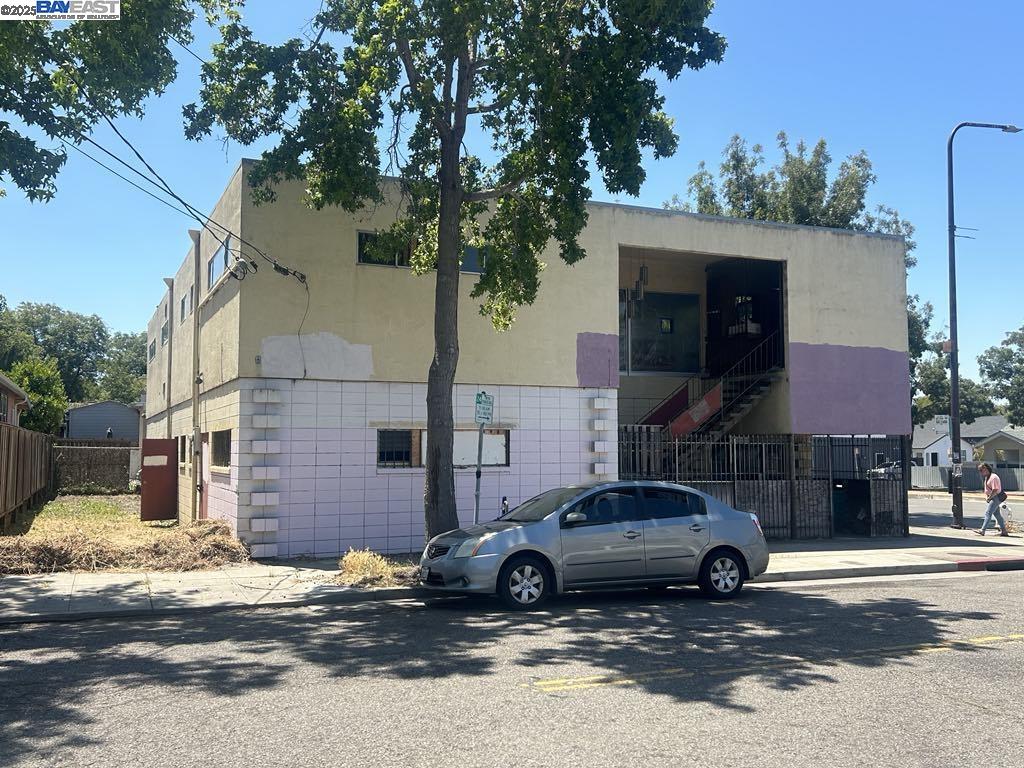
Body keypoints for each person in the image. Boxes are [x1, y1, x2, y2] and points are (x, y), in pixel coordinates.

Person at [977, 462, 1009, 537]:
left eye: (981, 470)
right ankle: (1004, 531)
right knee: (997, 514)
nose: (981, 472)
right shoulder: (987, 477)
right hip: (993, 497)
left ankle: (983, 530)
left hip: (996, 497)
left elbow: (995, 489)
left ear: (986, 469)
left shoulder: (993, 477)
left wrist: (989, 497)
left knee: (988, 513)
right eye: (980, 470)